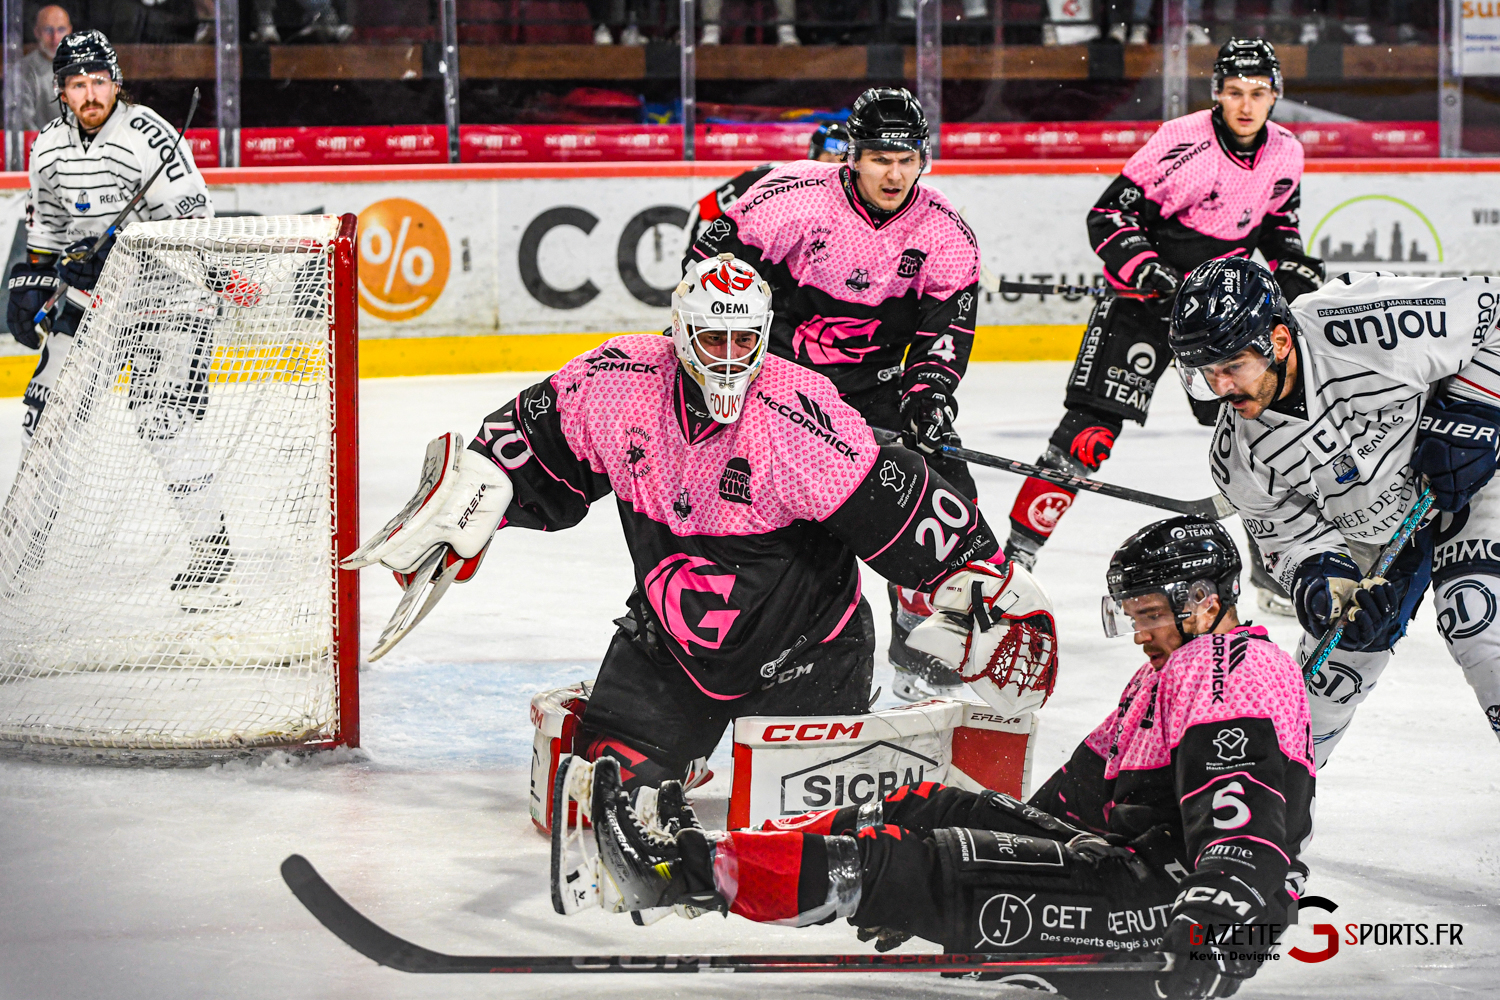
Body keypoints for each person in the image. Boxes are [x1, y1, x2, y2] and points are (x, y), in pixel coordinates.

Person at [344, 253, 1025, 794]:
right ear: (679, 330)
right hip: (673, 645)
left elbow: (907, 511)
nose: (729, 356)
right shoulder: (615, 382)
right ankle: (678, 742)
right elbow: (524, 441)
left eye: (744, 339)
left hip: (809, 651)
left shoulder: (801, 418)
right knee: (590, 798)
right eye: (712, 336)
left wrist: (990, 586)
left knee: (801, 840)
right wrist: (477, 501)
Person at [572, 515, 1314, 1000]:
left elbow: (1243, 838)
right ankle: (716, 856)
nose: (1139, 629)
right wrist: (1000, 843)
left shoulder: (1231, 670)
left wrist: (1215, 938)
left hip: (1166, 916)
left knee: (910, 859)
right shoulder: (1168, 673)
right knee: (915, 808)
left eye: (1151, 612)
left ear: (1207, 602)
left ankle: (678, 877)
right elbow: (1067, 805)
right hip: (1136, 875)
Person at [1002, 39, 1322, 616]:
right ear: (1216, 94)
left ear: (1275, 95)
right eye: (1234, 93)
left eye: (1258, 93)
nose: (1246, 105)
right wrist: (1151, 272)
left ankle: (1274, 568)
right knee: (1088, 432)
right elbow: (1109, 214)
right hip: (1143, 305)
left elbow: (1278, 226)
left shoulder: (1286, 151)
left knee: (1254, 432)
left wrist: (1293, 263)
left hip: (1218, 311)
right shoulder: (1182, 140)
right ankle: (1012, 562)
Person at [685, 87, 983, 702]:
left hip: (876, 390)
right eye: (880, 157)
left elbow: (945, 332)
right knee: (755, 521)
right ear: (853, 154)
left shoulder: (946, 232)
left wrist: (927, 398)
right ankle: (736, 657)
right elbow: (706, 269)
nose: (894, 172)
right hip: (776, 385)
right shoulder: (788, 198)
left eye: (907, 158)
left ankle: (923, 668)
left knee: (945, 504)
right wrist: (728, 364)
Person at [1169, 256, 1500, 765]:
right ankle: (1266, 810)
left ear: (1278, 341)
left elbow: (1495, 313)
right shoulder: (1237, 455)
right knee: (1322, 691)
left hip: (1474, 481)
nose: (1221, 388)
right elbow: (1288, 538)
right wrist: (1323, 582)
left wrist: (1475, 412)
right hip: (1374, 532)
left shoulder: (1363, 323)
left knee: (1478, 626)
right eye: (1206, 374)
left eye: (1233, 367)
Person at [4, 30, 227, 609]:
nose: (90, 93)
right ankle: (22, 549)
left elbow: (195, 219)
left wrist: (128, 247)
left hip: (167, 296)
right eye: (77, 84)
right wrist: (30, 282)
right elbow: (48, 232)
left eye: (99, 81)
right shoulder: (48, 147)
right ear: (61, 92)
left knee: (161, 420)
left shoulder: (147, 133)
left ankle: (212, 548)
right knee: (43, 415)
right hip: (91, 301)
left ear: (116, 83)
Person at [682, 122, 849, 252]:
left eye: (841, 160)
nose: (832, 169)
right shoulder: (776, 176)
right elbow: (704, 208)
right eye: (829, 158)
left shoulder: (850, 201)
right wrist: (692, 265)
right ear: (814, 154)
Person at [17, 5, 71, 133]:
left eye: (61, 29)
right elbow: (24, 123)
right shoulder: (22, 71)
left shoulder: (83, 67)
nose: (55, 38)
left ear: (69, 31)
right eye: (48, 30)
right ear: (36, 32)